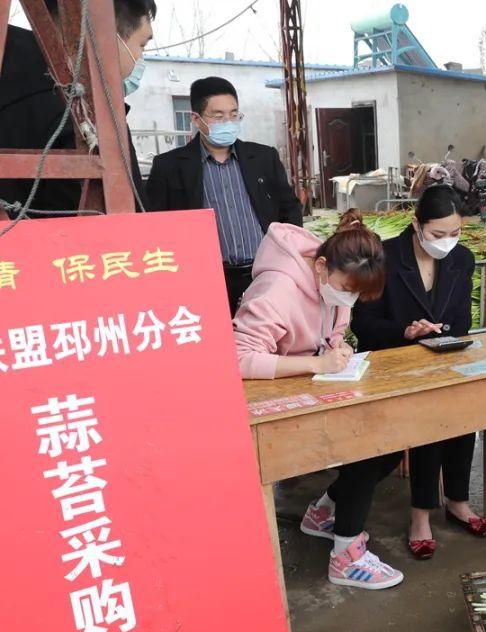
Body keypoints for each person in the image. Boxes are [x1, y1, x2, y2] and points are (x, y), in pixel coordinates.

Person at [233, 210, 404, 590]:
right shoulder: (277, 288)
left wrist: (337, 348)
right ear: (322, 266)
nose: (350, 298)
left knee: (391, 440)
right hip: (269, 401)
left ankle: (324, 512)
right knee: (366, 447)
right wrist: (315, 363)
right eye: (347, 289)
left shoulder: (337, 282)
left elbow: (334, 330)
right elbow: (238, 358)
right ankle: (346, 557)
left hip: (312, 387)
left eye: (357, 294)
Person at [348, 185, 486, 560]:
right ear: (416, 224)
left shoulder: (461, 259)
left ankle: (457, 500)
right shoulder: (385, 257)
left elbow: (461, 319)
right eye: (437, 235)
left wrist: (439, 335)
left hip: (440, 354)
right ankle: (420, 515)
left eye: (455, 233)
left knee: (464, 409)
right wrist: (405, 332)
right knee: (430, 419)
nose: (447, 242)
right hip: (392, 360)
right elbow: (363, 324)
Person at [147, 76, 303, 315]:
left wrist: (288, 261)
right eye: (218, 116)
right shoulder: (170, 166)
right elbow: (157, 228)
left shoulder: (263, 158)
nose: (227, 122)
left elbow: (289, 210)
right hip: (207, 280)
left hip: (266, 274)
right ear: (196, 119)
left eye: (233, 114)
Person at [0, 0, 155, 214]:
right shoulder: (88, 118)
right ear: (107, 34)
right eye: (142, 45)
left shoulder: (16, 87)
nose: (140, 59)